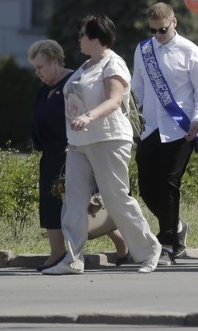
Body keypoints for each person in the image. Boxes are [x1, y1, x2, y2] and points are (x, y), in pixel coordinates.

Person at [43, 14, 162, 275]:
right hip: (78, 144)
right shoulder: (85, 67)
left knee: (116, 198)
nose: (79, 39)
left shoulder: (113, 63)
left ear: (96, 38)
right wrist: (73, 136)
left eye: (83, 35)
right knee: (73, 201)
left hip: (109, 139)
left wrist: (88, 117)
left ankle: (149, 252)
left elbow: (114, 100)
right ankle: (73, 259)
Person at [28, 39, 129, 271]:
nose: (37, 73)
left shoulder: (73, 82)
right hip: (51, 154)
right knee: (52, 205)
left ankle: (123, 247)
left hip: (73, 150)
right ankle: (57, 253)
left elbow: (83, 113)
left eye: (40, 67)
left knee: (89, 207)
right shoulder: (46, 89)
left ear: (55, 62)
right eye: (35, 68)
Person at [132, 2, 198, 265]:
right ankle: (176, 226)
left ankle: (168, 244)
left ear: (174, 22)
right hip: (151, 127)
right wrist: (131, 116)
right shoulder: (143, 50)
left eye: (162, 30)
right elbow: (138, 88)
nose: (157, 35)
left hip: (181, 129)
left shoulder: (189, 50)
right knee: (146, 188)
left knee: (169, 185)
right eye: (153, 30)